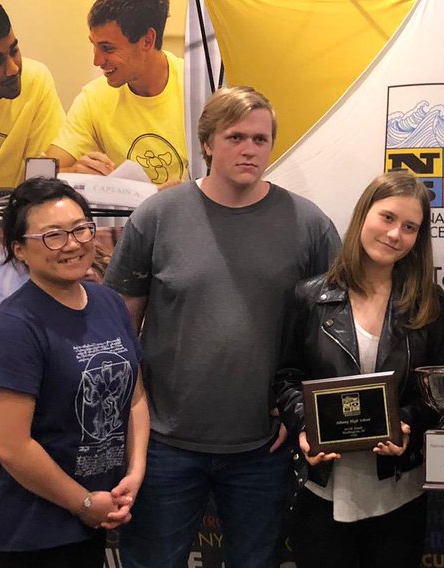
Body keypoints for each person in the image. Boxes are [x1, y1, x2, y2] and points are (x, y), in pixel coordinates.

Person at [104, 86, 340, 567]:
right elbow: (120, 326)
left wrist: (299, 413)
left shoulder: (309, 225)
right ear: (207, 142)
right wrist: (132, 418)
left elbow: (333, 333)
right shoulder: (157, 216)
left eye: (261, 138)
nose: (250, 149)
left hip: (263, 447)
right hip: (165, 444)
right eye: (235, 136)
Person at [273, 170, 444, 568]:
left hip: (398, 490)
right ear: (363, 215)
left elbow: (438, 391)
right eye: (387, 218)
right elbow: (287, 378)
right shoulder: (309, 297)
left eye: (410, 227)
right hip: (323, 488)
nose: (395, 234)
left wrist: (406, 423)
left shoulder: (430, 304)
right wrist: (306, 428)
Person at [0, 177, 148, 567]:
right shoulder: (14, 326)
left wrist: (134, 474)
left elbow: (134, 395)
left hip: (90, 520)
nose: (72, 243)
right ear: (19, 249)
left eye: (81, 228)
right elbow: (10, 446)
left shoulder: (109, 304)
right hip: (27, 534)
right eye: (52, 235)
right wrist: (83, 502)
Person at [47, 0, 187, 187]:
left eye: (107, 48)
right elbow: (41, 175)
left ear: (147, 40)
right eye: (94, 45)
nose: (97, 61)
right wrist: (74, 173)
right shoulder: (93, 98)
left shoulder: (200, 89)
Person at [0, 0, 65, 199]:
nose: (12, 68)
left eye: (14, 50)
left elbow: (43, 179)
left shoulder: (36, 80)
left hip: (15, 221)